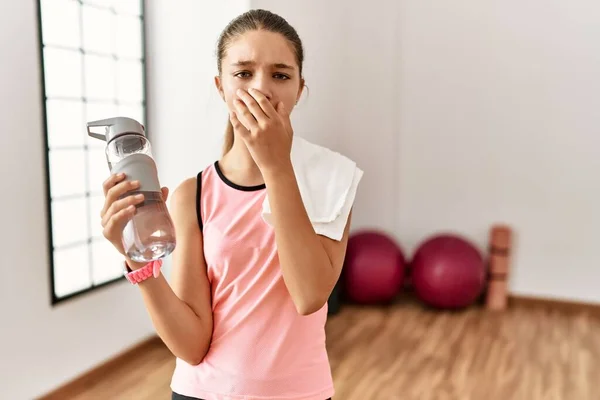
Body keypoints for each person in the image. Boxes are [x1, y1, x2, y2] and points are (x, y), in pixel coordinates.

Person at [100, 9, 356, 400]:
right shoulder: (193, 194)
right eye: (243, 73)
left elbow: (309, 294)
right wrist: (138, 261)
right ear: (221, 86)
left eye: (280, 75)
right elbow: (192, 346)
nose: (261, 89)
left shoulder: (332, 177)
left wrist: (276, 167)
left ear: (300, 89)